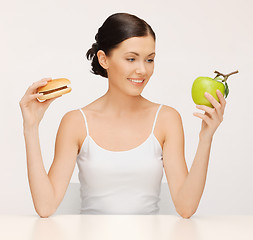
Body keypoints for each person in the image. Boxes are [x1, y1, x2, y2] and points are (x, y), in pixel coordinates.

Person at [19, 12, 226, 218]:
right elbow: (45, 207)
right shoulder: (76, 122)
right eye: (131, 59)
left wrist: (206, 137)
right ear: (103, 59)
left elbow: (185, 207)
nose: (142, 70)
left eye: (150, 60)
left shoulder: (166, 119)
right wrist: (31, 127)